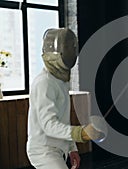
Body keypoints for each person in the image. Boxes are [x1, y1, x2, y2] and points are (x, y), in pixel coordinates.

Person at [27, 28, 101, 169]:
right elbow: (48, 125)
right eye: (67, 47)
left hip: (59, 148)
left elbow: (63, 119)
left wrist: (72, 148)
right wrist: (80, 133)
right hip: (43, 151)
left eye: (72, 47)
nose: (72, 52)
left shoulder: (61, 82)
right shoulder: (44, 82)